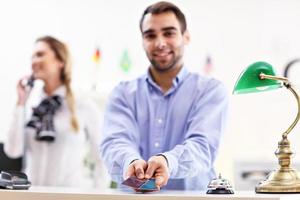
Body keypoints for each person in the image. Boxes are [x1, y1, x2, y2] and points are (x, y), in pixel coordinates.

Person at [100, 1, 229, 190]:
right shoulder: (122, 94)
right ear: (143, 41)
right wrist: (130, 162)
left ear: (186, 37)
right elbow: (115, 142)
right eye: (150, 35)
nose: (160, 43)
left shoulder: (210, 90)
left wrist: (168, 162)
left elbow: (203, 147)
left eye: (169, 33)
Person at [4, 36, 107, 188]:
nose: (34, 61)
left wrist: (98, 194)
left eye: (40, 54)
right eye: (32, 57)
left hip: (69, 196)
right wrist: (20, 103)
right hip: (31, 195)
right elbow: (13, 151)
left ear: (60, 61)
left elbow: (102, 158)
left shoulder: (83, 104)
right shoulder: (31, 104)